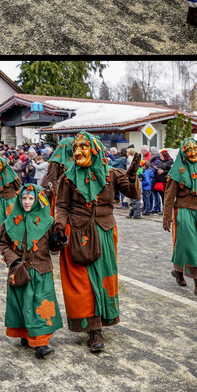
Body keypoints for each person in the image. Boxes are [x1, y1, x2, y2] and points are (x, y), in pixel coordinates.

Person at [47, 131, 140, 352]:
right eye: (75, 148)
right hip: (78, 233)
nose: (77, 152)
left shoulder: (112, 174)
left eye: (83, 147)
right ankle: (93, 329)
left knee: (103, 279)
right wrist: (59, 226)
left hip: (105, 232)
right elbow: (62, 207)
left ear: (95, 149)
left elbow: (134, 194)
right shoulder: (67, 177)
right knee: (84, 281)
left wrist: (133, 173)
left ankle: (102, 319)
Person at [0, 183, 62, 358]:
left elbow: (54, 248)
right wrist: (13, 259)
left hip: (42, 270)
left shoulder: (48, 221)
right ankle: (25, 333)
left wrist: (58, 240)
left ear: (38, 200)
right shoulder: (10, 221)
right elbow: (0, 244)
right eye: (24, 198)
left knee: (41, 305)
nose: (27, 202)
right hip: (20, 270)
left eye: (31, 198)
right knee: (22, 303)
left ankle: (41, 343)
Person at [162, 138, 197, 294]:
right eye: (189, 150)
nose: (193, 153)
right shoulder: (177, 171)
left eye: (195, 149)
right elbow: (169, 197)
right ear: (183, 153)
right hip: (183, 212)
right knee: (190, 246)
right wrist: (166, 217)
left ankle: (177, 270)